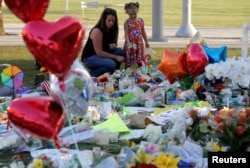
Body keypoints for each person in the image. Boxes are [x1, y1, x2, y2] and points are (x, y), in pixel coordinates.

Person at [81, 8, 125, 77]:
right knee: (111, 64)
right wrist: (116, 57)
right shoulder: (97, 31)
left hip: (101, 55)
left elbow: (109, 45)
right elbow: (99, 53)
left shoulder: (112, 29)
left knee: (120, 52)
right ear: (104, 20)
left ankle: (113, 73)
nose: (111, 23)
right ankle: (89, 74)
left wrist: (113, 45)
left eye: (113, 21)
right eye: (109, 20)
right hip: (90, 57)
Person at [123, 2, 150, 68]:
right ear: (127, 13)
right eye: (130, 14)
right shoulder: (127, 23)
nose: (132, 16)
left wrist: (146, 41)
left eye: (134, 14)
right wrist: (128, 42)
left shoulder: (140, 21)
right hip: (131, 44)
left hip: (139, 44)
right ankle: (127, 73)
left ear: (137, 11)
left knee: (141, 59)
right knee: (129, 60)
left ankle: (144, 73)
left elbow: (143, 32)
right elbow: (126, 34)